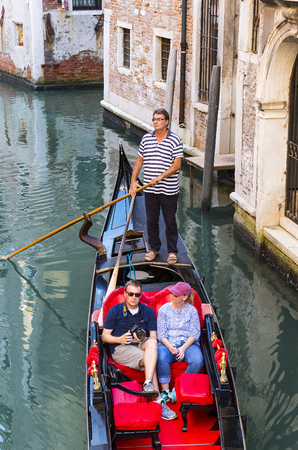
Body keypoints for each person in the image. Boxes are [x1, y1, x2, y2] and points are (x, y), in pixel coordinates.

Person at [102, 280, 177, 420]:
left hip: (140, 344)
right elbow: (105, 336)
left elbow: (153, 337)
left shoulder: (147, 311)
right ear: (125, 294)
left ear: (140, 295)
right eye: (131, 294)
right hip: (121, 347)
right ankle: (158, 400)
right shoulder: (115, 311)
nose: (134, 297)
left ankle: (148, 384)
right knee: (151, 359)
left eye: (137, 294)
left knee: (152, 344)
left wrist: (141, 339)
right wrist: (119, 339)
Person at [129, 108, 183, 265]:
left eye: (159, 119)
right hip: (150, 189)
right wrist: (133, 181)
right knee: (151, 221)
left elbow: (177, 165)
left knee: (170, 221)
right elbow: (139, 161)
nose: (156, 122)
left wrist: (161, 176)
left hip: (169, 190)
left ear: (166, 122)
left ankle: (172, 251)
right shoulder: (146, 139)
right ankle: (154, 249)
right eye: (154, 119)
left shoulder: (175, 140)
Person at [156, 282, 204, 402]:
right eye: (172, 293)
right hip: (167, 343)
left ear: (185, 297)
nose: (172, 296)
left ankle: (177, 390)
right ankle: (165, 391)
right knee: (161, 357)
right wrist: (169, 346)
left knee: (198, 360)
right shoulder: (164, 310)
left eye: (176, 295)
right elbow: (161, 333)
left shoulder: (192, 311)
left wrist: (183, 348)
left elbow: (194, 333)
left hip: (188, 344)